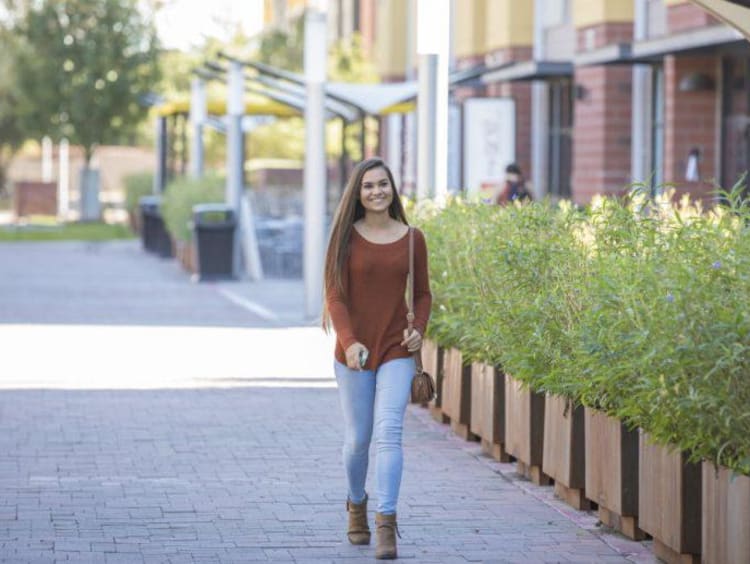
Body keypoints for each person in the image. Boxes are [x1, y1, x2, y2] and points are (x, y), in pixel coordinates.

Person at [323, 157, 432, 560]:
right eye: (368, 186)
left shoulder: (411, 238)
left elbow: (422, 294)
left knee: (389, 432)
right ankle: (356, 503)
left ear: (392, 188)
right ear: (358, 192)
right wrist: (349, 342)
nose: (376, 192)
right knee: (358, 440)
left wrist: (418, 327)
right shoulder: (345, 237)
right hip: (353, 352)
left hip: (396, 349)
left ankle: (386, 523)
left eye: (382, 184)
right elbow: (334, 296)